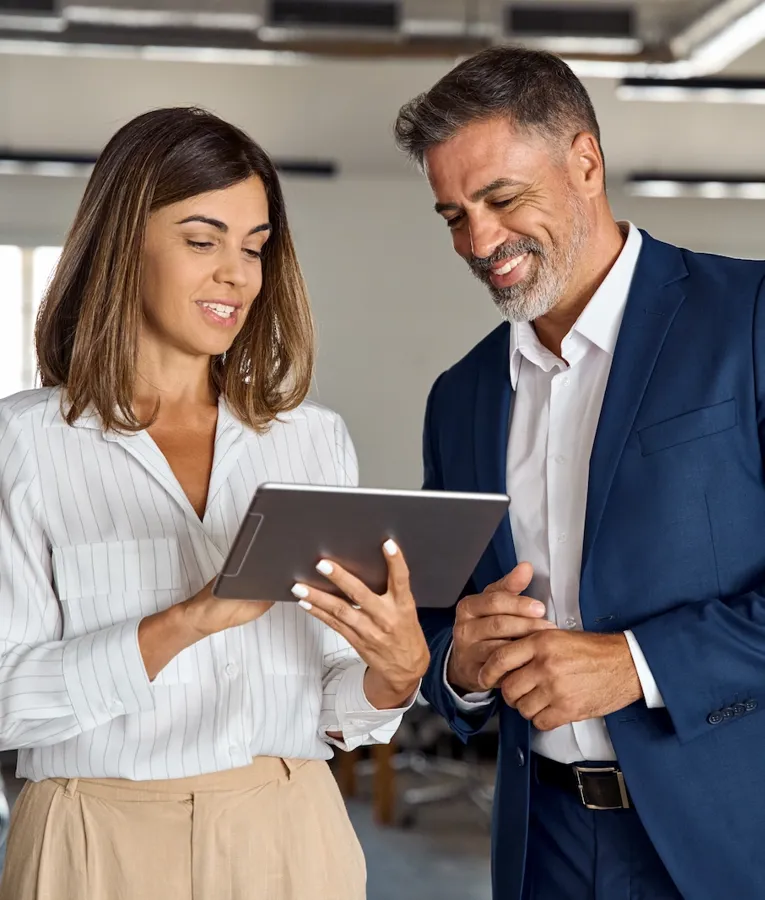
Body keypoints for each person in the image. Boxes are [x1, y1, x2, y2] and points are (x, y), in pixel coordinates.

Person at [0, 107, 430, 900]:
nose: (236, 274)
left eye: (254, 248)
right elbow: (5, 701)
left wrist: (390, 678)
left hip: (291, 831)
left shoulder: (313, 442)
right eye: (202, 241)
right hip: (94, 841)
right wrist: (186, 621)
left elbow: (328, 697)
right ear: (121, 244)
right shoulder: (23, 446)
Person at [395, 45, 765, 900]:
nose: (478, 241)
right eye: (452, 214)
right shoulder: (460, 397)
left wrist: (636, 663)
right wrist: (461, 664)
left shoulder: (746, 320)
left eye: (501, 198)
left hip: (727, 841)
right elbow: (438, 628)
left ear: (585, 162)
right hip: (543, 846)